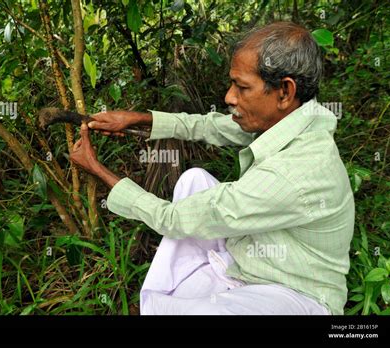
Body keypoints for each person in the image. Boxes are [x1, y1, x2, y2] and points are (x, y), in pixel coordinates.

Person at [70, 21, 355, 315]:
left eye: (242, 87)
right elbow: (214, 126)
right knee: (193, 180)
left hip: (296, 293)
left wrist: (97, 169)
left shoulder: (295, 172)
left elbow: (171, 218)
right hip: (257, 254)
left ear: (284, 91)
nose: (229, 97)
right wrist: (138, 119)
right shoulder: (298, 116)